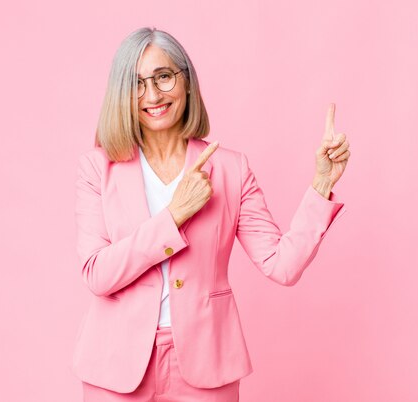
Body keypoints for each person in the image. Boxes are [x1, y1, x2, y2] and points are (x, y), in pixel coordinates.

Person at [71, 26, 351, 402]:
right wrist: (174, 216)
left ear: (186, 81)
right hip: (116, 367)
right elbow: (98, 274)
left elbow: (282, 265)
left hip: (206, 366)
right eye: (136, 83)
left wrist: (321, 184)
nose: (152, 95)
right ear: (121, 94)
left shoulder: (231, 169)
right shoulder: (98, 169)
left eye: (163, 77)